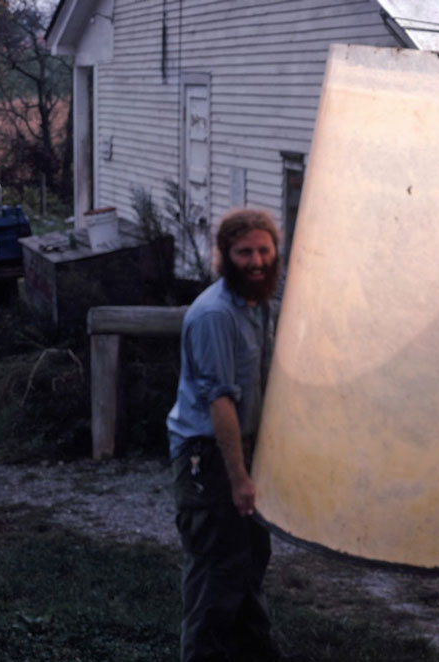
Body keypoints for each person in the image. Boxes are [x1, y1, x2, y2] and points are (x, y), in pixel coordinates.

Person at [166, 208, 283, 662]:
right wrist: (238, 478)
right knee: (216, 568)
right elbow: (220, 403)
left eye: (263, 250)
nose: (256, 261)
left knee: (251, 559)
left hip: (244, 449)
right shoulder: (214, 315)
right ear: (223, 256)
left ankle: (256, 652)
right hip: (208, 455)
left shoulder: (259, 304)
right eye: (244, 252)